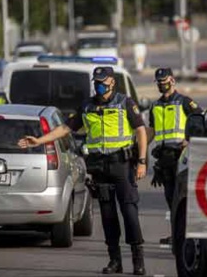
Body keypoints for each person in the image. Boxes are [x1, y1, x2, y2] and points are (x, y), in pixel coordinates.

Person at [17, 66, 148, 275]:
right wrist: (39, 140)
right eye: (96, 82)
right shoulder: (87, 105)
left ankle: (138, 259)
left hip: (121, 165)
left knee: (130, 212)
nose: (99, 85)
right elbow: (66, 128)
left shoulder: (125, 103)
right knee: (107, 215)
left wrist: (141, 161)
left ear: (112, 82)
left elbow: (141, 131)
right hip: (100, 167)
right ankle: (115, 260)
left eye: (102, 81)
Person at [148, 67, 202, 246]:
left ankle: (188, 235)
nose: (161, 85)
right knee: (171, 199)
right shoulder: (155, 106)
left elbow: (200, 122)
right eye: (159, 83)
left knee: (184, 200)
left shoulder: (185, 102)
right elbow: (151, 131)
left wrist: (189, 140)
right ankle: (176, 234)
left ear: (172, 80)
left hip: (181, 157)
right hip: (164, 160)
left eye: (164, 81)